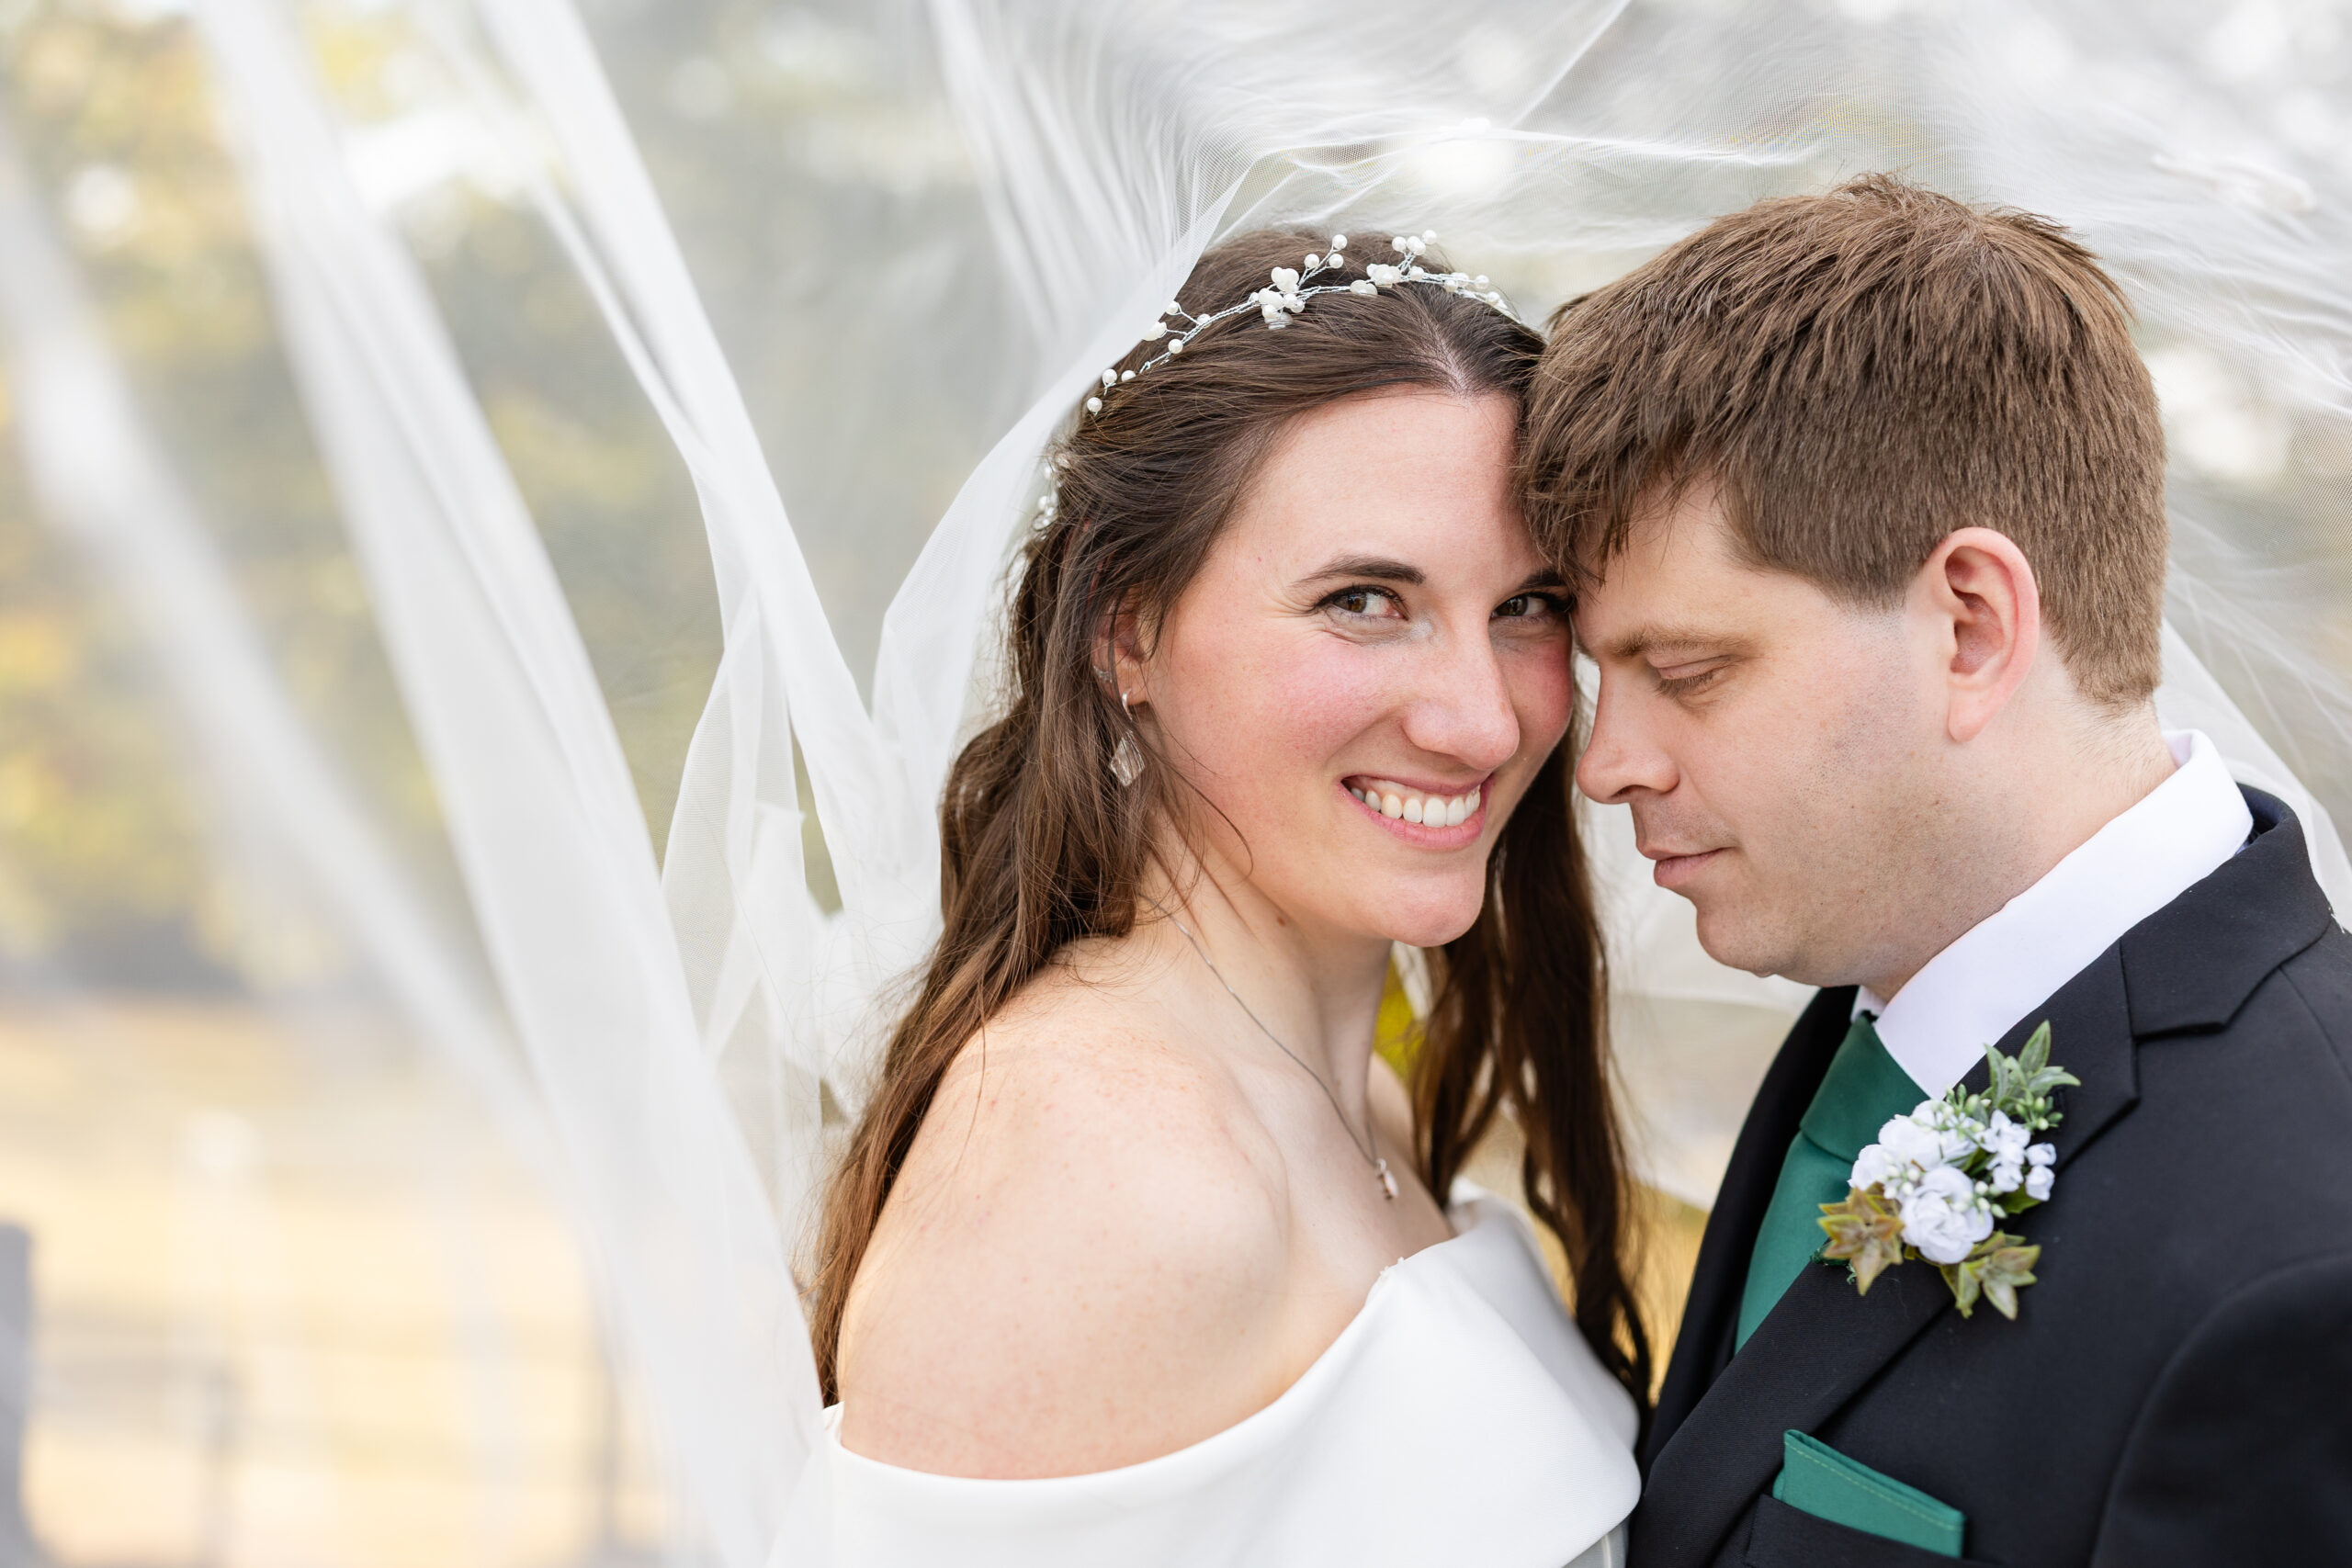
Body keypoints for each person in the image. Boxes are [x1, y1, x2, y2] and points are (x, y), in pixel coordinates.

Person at [1521, 174, 2352, 1567]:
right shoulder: (1878, 982)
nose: (1606, 767)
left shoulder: (2306, 1263)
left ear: (1969, 624)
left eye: (1685, 671)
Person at [807, 229, 1645, 1565]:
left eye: (1530, 605)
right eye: (1365, 600)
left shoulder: (1357, 1100)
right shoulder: (1103, 1171)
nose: (1484, 721)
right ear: (1127, 634)